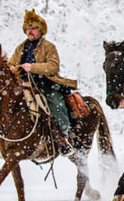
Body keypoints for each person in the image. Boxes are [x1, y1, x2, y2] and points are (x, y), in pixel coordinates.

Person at [8, 9, 78, 154]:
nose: (30, 31)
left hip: (45, 84)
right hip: (24, 85)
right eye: (27, 28)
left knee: (56, 104)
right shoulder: (20, 47)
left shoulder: (48, 47)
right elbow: (12, 63)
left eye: (33, 28)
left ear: (40, 30)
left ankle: (64, 137)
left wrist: (32, 67)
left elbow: (53, 66)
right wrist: (12, 69)